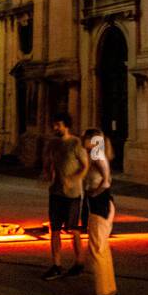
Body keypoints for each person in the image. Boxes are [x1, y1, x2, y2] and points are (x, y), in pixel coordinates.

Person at [42, 113, 88, 280]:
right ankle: (57, 265)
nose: (55, 128)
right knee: (54, 229)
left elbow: (85, 166)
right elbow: (48, 162)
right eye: (54, 125)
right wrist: (47, 172)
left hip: (73, 194)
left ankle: (79, 262)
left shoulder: (76, 143)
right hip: (55, 192)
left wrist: (73, 179)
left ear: (66, 125)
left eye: (58, 124)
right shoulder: (53, 144)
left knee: (73, 229)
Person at [81, 128, 121, 295]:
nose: (83, 141)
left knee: (97, 250)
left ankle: (103, 293)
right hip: (102, 205)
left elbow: (106, 182)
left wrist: (93, 194)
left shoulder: (98, 156)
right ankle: (108, 290)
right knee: (101, 249)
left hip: (101, 205)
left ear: (93, 140)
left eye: (86, 139)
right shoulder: (97, 156)